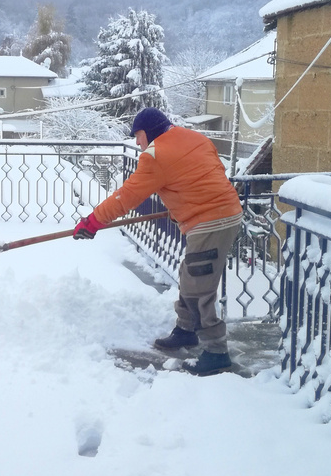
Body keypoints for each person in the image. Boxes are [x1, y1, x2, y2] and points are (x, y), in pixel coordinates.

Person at [73, 107, 243, 376]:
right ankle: (186, 331)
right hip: (224, 214)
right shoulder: (195, 137)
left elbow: (126, 197)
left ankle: (216, 351)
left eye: (137, 135)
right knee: (190, 274)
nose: (137, 142)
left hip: (210, 221)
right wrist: (181, 200)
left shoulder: (155, 155)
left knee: (199, 286)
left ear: (148, 131)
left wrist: (92, 222)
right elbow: (208, 173)